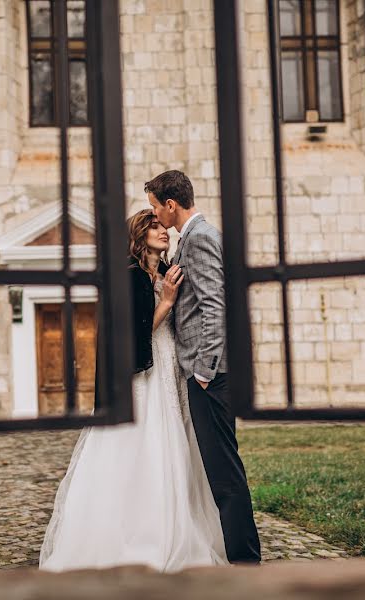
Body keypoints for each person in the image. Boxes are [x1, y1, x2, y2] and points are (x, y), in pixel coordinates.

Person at [39, 209, 228, 572]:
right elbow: (136, 333)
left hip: (167, 364)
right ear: (140, 236)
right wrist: (168, 301)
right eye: (154, 227)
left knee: (172, 443)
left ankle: (172, 522)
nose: (163, 231)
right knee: (145, 441)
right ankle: (138, 535)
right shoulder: (132, 276)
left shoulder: (159, 272)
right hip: (144, 375)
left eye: (162, 226)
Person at [146, 169, 262, 564]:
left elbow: (215, 305)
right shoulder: (191, 240)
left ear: (170, 204)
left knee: (224, 471)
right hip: (204, 372)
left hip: (210, 375)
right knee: (219, 469)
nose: (156, 216)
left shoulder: (200, 238)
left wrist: (204, 371)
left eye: (155, 208)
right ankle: (241, 554)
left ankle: (245, 560)